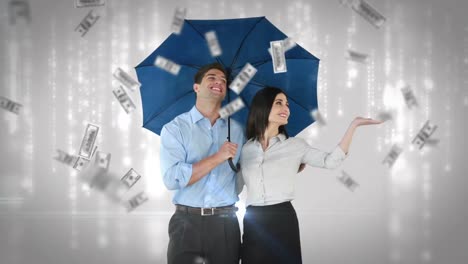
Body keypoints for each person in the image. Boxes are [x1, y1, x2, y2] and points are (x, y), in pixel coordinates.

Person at [239, 87, 382, 264]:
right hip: (253, 219)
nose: (286, 108)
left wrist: (354, 125)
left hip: (282, 217)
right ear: (263, 107)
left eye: (287, 104)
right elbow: (237, 185)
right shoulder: (245, 149)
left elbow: (330, 161)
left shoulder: (295, 146)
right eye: (279, 103)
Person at [160, 63, 245, 264]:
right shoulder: (175, 129)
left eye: (224, 80)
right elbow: (172, 179)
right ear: (196, 87)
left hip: (226, 224)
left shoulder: (238, 130)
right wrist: (218, 157)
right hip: (185, 223)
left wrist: (286, 163)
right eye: (212, 77)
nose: (219, 82)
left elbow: (248, 167)